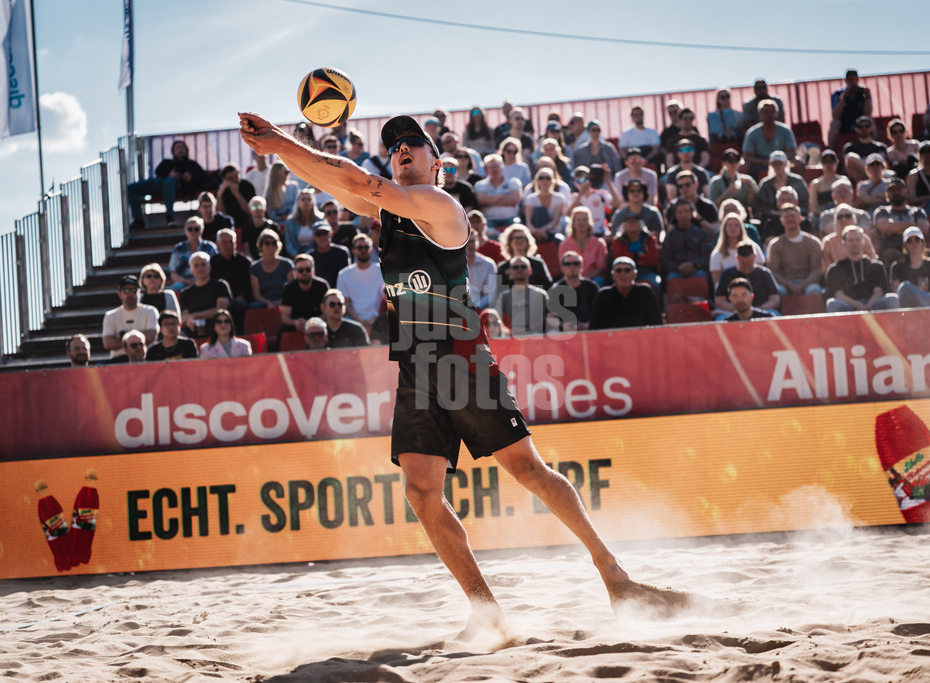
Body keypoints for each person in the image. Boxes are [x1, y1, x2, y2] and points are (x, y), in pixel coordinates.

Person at [240, 110, 684, 629]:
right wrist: (281, 152)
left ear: (438, 163)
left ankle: (614, 575)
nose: (402, 148)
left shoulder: (439, 205)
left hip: (461, 358)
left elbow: (355, 178)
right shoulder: (389, 214)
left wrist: (280, 141)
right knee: (421, 492)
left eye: (414, 142)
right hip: (416, 363)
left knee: (526, 470)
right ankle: (485, 611)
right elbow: (331, 178)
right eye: (395, 145)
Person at [126, 139, 207, 230]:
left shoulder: (192, 164)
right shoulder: (167, 162)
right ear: (173, 151)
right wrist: (169, 174)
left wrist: (191, 177)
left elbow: (203, 177)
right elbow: (158, 171)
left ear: (186, 150)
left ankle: (170, 217)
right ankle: (138, 220)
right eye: (177, 148)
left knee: (169, 181)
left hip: (176, 187)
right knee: (131, 188)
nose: (180, 149)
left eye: (182, 147)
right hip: (158, 185)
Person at [824, 226, 900, 313]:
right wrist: (857, 305)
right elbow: (839, 295)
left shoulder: (876, 266)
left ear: (863, 241)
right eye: (850, 240)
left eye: (857, 239)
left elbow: (878, 291)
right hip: (849, 309)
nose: (854, 243)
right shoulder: (835, 269)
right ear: (844, 243)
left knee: (892, 299)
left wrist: (868, 305)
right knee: (832, 304)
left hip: (873, 307)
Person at [765, 204, 823, 297]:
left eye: (792, 216)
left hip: (807, 282)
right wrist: (790, 286)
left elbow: (817, 270)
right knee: (778, 291)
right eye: (786, 217)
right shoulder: (775, 245)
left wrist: (802, 285)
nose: (790, 219)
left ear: (800, 219)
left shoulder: (813, 242)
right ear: (782, 221)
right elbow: (773, 272)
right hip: (785, 284)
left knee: (814, 290)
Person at [589, 257, 662, 330]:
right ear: (613, 275)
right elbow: (594, 328)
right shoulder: (603, 295)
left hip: (640, 339)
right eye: (618, 270)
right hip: (611, 340)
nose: (623, 274)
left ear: (635, 274)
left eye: (627, 270)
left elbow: (657, 324)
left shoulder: (645, 292)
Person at [713, 243, 780, 319]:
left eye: (749, 262)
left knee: (775, 315)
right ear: (737, 259)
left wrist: (760, 308)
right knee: (721, 319)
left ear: (755, 257)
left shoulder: (764, 273)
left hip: (762, 310)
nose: (746, 266)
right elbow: (719, 300)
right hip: (733, 311)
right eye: (743, 263)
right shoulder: (727, 274)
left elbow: (775, 299)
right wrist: (738, 309)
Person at [873, 178, 930, 266]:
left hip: (917, 250)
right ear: (887, 195)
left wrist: (894, 228)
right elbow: (884, 228)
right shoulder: (881, 211)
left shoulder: (917, 211)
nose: (896, 193)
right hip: (891, 251)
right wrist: (913, 226)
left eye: (898, 190)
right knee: (891, 255)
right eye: (892, 191)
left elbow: (924, 229)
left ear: (905, 192)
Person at [336, 233, 385, 335]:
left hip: (380, 321)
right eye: (360, 247)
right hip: (353, 323)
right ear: (354, 251)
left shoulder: (381, 270)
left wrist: (375, 319)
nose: (363, 250)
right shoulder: (344, 274)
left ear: (371, 250)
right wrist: (359, 321)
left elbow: (385, 298)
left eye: (366, 247)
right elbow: (345, 303)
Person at [178, 252, 232, 340]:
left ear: (209, 266)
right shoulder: (185, 293)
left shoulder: (220, 285)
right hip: (194, 331)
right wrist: (189, 320)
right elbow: (185, 317)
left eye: (203, 264)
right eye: (196, 265)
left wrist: (194, 316)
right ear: (191, 270)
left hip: (218, 328)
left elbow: (220, 310)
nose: (200, 268)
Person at [102, 275, 159, 359]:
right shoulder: (110, 316)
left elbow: (151, 337)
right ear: (119, 293)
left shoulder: (150, 311)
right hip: (119, 359)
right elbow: (108, 343)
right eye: (126, 290)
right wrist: (140, 338)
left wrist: (122, 336)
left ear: (139, 293)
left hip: (145, 358)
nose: (130, 294)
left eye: (133, 290)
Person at [754, 152, 810, 232]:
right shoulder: (765, 184)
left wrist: (791, 213)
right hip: (773, 222)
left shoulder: (798, 181)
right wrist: (778, 214)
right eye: (774, 164)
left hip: (796, 219)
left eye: (780, 163)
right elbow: (761, 208)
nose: (778, 167)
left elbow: (805, 206)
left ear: (786, 164)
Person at [891, 226, 930, 308]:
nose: (914, 243)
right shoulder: (897, 267)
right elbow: (897, 294)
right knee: (905, 287)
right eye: (909, 241)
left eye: (917, 239)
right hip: (908, 308)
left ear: (923, 242)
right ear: (905, 246)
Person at [496, 256, 549, 336]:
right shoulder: (503, 297)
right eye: (515, 267)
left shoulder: (541, 295)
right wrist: (512, 331)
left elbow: (547, 320)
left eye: (523, 267)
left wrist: (528, 330)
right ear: (510, 272)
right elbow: (498, 321)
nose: (519, 270)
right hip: (510, 337)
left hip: (536, 336)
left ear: (530, 270)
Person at [662, 200, 714, 281]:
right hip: (676, 271)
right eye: (680, 212)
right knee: (671, 279)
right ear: (676, 215)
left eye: (686, 211)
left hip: (698, 270)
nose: (684, 215)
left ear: (691, 214)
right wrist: (678, 267)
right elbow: (665, 259)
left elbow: (707, 256)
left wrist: (694, 265)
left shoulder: (701, 234)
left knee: (702, 277)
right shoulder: (670, 236)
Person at [742, 100, 796, 177]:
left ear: (776, 113)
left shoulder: (785, 130)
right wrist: (763, 162)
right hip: (758, 165)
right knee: (744, 167)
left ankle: (797, 186)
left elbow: (792, 151)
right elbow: (747, 155)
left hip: (782, 163)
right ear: (760, 115)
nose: (769, 114)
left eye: (771, 111)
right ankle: (750, 188)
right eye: (766, 112)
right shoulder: (752, 132)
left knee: (797, 162)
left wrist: (779, 161)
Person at [710, 214, 765, 290]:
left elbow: (760, 274)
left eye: (736, 225)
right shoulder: (717, 254)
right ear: (724, 228)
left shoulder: (753, 247)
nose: (733, 228)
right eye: (729, 225)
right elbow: (717, 282)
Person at [548, 250, 599, 331]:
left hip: (589, 329)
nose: (572, 266)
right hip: (564, 331)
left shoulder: (591, 287)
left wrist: (589, 325)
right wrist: (562, 326)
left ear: (581, 266)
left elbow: (599, 312)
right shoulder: (555, 289)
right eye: (567, 264)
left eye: (575, 263)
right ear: (562, 267)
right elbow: (550, 317)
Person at [279, 253, 330, 335]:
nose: (304, 273)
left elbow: (327, 313)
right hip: (297, 325)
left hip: (318, 324)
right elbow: (285, 317)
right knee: (281, 331)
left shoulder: (322, 286)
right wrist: (295, 322)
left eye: (308, 269)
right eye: (300, 270)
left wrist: (310, 323)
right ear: (295, 272)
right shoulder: (288, 288)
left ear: (313, 270)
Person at [822, 203, 878, 273]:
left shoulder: (864, 239)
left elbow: (873, 262)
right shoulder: (828, 242)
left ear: (854, 219)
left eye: (848, 216)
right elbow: (827, 269)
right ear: (835, 220)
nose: (843, 219)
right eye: (839, 217)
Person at [210, 228, 254, 319]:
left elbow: (248, 285)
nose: (228, 246)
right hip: (218, 301)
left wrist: (241, 296)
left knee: (240, 305)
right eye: (224, 242)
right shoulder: (211, 263)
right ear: (217, 244)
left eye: (231, 242)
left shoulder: (245, 262)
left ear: (236, 243)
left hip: (239, 300)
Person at [475, 154, 523, 236]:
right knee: (484, 231)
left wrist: (490, 200)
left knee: (518, 228)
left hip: (511, 219)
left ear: (502, 167)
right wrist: (504, 196)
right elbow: (482, 200)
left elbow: (513, 199)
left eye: (497, 166)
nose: (495, 170)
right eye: (491, 167)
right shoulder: (480, 185)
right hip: (489, 221)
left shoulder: (513, 182)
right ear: (486, 169)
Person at [610, 214, 660, 292]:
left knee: (655, 283)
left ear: (640, 223)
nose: (632, 224)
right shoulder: (618, 240)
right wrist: (637, 256)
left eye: (635, 221)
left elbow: (653, 259)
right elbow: (618, 258)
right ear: (624, 225)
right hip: (624, 271)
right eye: (629, 222)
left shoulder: (649, 238)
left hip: (646, 271)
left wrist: (631, 257)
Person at [560, 207, 608, 285]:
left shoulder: (599, 243)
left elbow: (600, 267)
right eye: (578, 220)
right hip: (571, 279)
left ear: (589, 222)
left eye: (585, 220)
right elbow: (563, 266)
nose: (581, 223)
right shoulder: (564, 244)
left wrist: (585, 279)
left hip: (593, 280)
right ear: (573, 223)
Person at [167, 218, 218, 292]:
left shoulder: (210, 247)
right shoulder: (179, 248)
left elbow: (216, 268)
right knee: (176, 288)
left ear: (202, 230)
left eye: (196, 229)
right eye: (190, 229)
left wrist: (200, 279)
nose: (193, 231)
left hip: (207, 280)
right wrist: (185, 281)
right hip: (185, 282)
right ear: (185, 231)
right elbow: (173, 273)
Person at [496, 225, 553, 289]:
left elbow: (547, 285)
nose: (519, 241)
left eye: (522, 238)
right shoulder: (503, 267)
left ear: (527, 241)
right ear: (509, 243)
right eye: (515, 239)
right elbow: (499, 290)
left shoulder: (538, 264)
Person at [249, 229, 295, 307]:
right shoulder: (255, 267)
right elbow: (256, 294)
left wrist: (281, 301)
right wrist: (268, 303)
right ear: (261, 246)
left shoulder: (287, 264)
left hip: (285, 302)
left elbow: (292, 289)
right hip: (264, 303)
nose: (271, 246)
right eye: (267, 243)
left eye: (274, 243)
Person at [829, 68, 873, 147]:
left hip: (861, 123)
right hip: (844, 123)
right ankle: (831, 150)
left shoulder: (863, 92)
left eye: (855, 79)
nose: (852, 82)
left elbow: (868, 112)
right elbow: (835, 115)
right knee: (835, 123)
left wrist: (866, 97)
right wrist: (842, 99)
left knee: (869, 119)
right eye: (850, 79)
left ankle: (874, 146)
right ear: (845, 81)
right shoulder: (838, 94)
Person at [522, 168, 567, 244]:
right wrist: (537, 232)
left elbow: (555, 221)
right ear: (537, 181)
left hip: (553, 232)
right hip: (535, 232)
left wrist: (543, 230)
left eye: (548, 178)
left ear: (552, 181)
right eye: (541, 178)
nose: (544, 181)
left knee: (560, 240)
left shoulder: (559, 198)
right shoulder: (531, 198)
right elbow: (528, 221)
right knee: (540, 210)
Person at [283, 189, 327, 258]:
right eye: (303, 199)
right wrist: (297, 256)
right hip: (296, 257)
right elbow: (289, 244)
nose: (306, 202)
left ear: (313, 202)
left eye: (309, 199)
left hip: (316, 256)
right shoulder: (290, 222)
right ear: (298, 203)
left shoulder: (320, 220)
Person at [215, 163, 256, 232]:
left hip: (246, 222)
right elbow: (219, 212)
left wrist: (237, 194)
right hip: (230, 223)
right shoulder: (222, 189)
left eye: (236, 176)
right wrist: (220, 195)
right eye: (230, 178)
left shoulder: (246, 185)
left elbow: (250, 211)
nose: (234, 180)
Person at [465, 231, 498, 310]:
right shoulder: (453, 264)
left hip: (479, 310)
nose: (470, 245)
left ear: (478, 243)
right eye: (467, 242)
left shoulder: (488, 264)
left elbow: (490, 295)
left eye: (472, 241)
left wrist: (476, 306)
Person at [808, 149, 842, 220]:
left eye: (831, 161)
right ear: (821, 164)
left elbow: (850, 203)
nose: (828, 165)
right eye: (825, 162)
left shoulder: (843, 181)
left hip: (841, 215)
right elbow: (814, 209)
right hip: (822, 217)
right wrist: (828, 215)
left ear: (837, 163)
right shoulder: (816, 184)